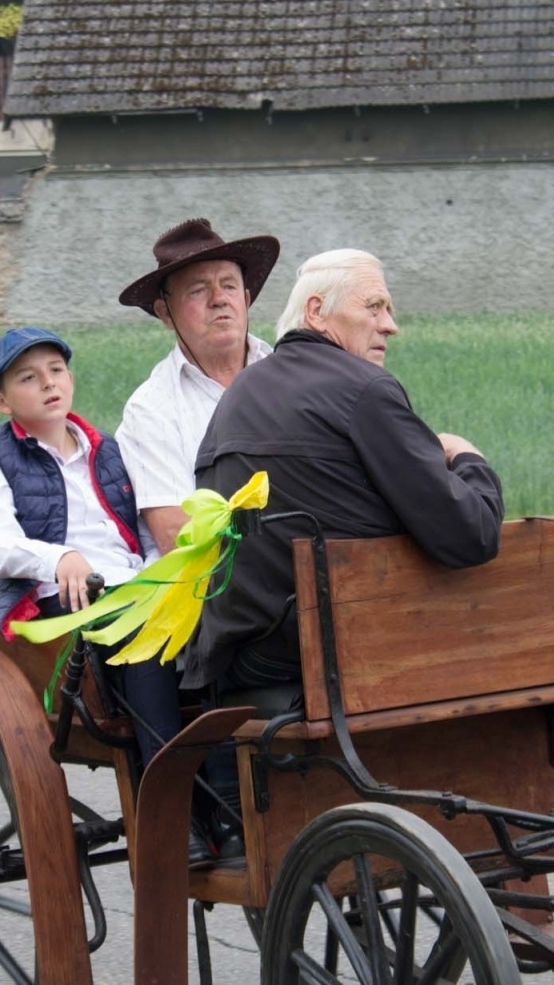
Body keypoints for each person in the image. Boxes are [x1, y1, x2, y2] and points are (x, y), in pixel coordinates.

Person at [185, 249, 506, 694]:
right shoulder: (363, 389)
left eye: (389, 310)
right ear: (316, 310)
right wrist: (468, 458)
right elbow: (472, 534)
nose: (390, 324)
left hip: (237, 655)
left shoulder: (239, 392)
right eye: (374, 307)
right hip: (325, 645)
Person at [0, 326, 211, 861]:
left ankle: (225, 790)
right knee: (143, 642)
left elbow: (141, 529)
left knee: (222, 619)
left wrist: (160, 574)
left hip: (131, 585)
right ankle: (169, 815)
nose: (48, 384)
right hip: (59, 599)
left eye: (56, 371)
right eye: (28, 378)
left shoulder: (108, 451)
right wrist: (59, 557)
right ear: (1, 400)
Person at [115, 218, 280, 558]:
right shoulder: (151, 409)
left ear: (246, 299)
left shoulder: (291, 375)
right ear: (165, 312)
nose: (219, 299)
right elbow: (178, 537)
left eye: (230, 286)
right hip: (211, 594)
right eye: (198, 290)